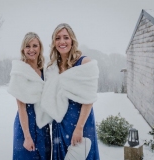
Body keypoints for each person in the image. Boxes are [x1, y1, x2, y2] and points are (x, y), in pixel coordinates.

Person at [40, 23, 100, 160]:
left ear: (72, 40)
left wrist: (79, 128)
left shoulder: (84, 63)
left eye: (66, 37)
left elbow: (89, 99)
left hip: (81, 122)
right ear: (54, 42)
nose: (62, 41)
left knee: (81, 155)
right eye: (58, 38)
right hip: (60, 124)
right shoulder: (52, 67)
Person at [7, 32, 51, 160]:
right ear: (23, 49)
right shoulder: (20, 71)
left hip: (42, 126)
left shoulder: (44, 69)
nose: (31, 50)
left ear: (40, 48)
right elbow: (21, 108)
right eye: (27, 46)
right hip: (26, 123)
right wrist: (27, 136)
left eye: (35, 46)